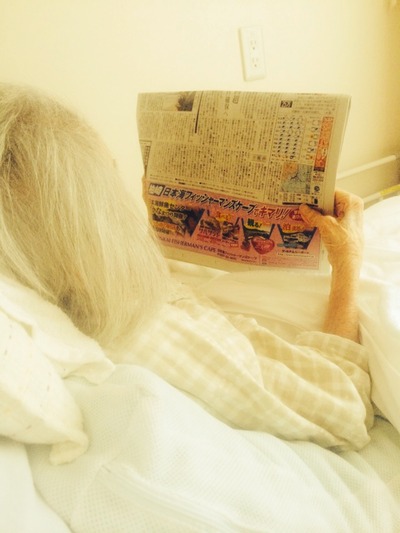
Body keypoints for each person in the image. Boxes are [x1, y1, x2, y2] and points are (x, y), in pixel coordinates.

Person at [0, 82, 373, 457]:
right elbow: (345, 408)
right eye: (109, 182)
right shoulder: (145, 331)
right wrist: (348, 261)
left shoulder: (55, 282)